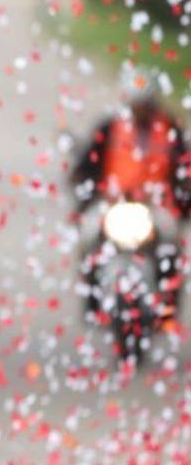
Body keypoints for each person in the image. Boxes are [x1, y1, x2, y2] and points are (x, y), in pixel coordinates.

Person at [70, 65, 190, 334]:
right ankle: (91, 301)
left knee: (171, 246)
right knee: (88, 236)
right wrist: (86, 190)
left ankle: (168, 308)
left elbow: (185, 167)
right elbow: (87, 164)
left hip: (157, 207)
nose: (140, 110)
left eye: (145, 104)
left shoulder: (170, 128)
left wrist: (183, 196)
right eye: (136, 104)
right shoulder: (111, 127)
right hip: (113, 204)